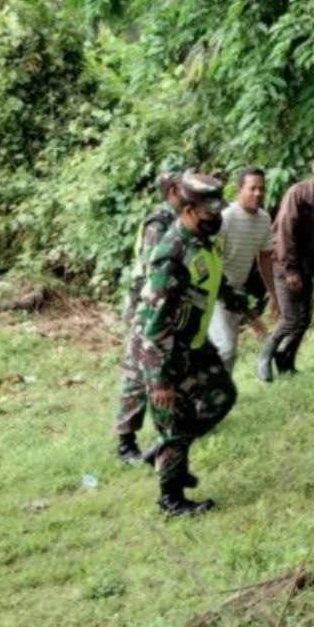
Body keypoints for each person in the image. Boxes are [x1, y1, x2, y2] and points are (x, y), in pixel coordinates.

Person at [134, 171, 240, 516]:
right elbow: (155, 324)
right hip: (164, 351)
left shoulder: (202, 241)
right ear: (190, 211)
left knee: (222, 395)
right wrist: (160, 380)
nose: (217, 218)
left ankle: (166, 450)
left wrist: (242, 306)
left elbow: (213, 279)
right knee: (174, 423)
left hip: (193, 342)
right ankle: (172, 499)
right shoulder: (172, 255)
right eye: (210, 213)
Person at [113, 168, 183, 465]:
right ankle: (126, 443)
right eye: (184, 186)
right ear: (172, 191)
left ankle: (168, 434)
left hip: (164, 307)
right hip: (147, 308)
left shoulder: (179, 219)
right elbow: (153, 270)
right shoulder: (159, 223)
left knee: (159, 371)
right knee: (137, 374)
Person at [256, 145, 314, 382]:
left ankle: (286, 362)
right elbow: (284, 233)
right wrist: (290, 269)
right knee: (291, 319)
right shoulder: (298, 193)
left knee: (304, 319)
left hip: (307, 267)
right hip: (285, 265)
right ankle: (264, 357)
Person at [208, 166, 278, 369]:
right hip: (215, 288)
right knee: (226, 347)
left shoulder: (264, 219)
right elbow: (212, 262)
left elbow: (265, 259)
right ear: (240, 190)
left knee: (228, 349)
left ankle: (218, 387)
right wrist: (250, 315)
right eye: (252, 188)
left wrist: (273, 293)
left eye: (261, 188)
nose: (258, 193)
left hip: (236, 288)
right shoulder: (226, 217)